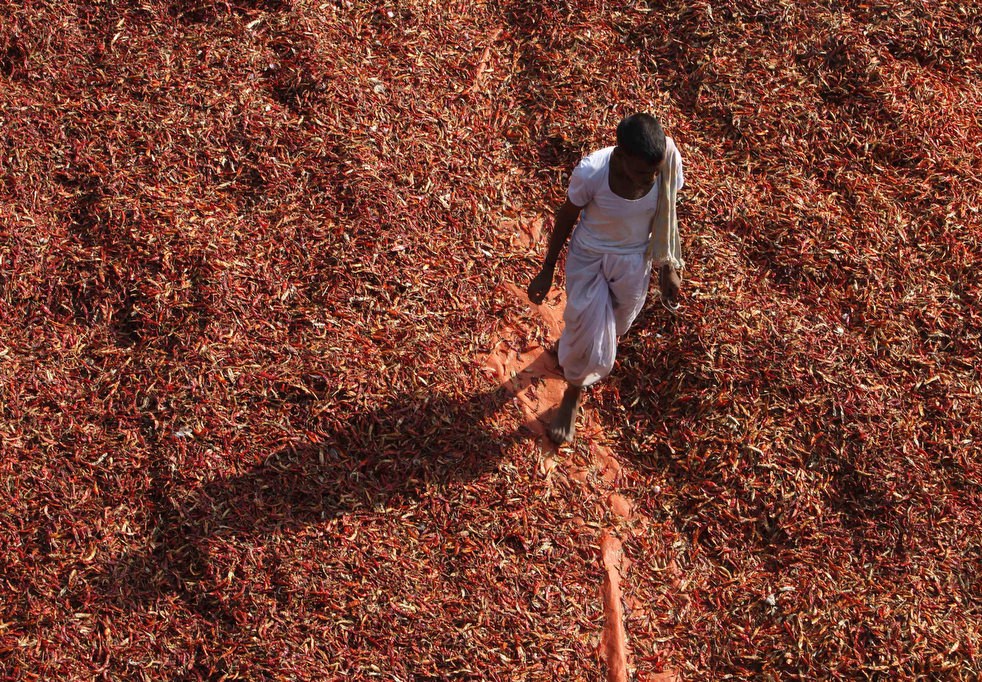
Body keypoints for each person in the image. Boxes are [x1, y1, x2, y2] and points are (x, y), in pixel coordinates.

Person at [527, 113, 685, 444]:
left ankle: (572, 348)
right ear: (620, 156)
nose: (649, 180)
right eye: (643, 173)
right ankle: (572, 395)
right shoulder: (593, 172)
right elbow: (566, 217)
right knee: (591, 333)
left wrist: (667, 265)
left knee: (616, 324)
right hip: (590, 258)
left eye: (655, 174)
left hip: (633, 261)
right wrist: (547, 268)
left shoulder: (667, 161)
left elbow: (668, 210)